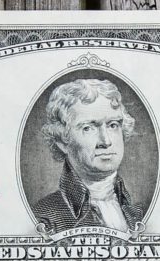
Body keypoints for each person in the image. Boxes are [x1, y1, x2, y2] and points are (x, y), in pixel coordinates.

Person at [33, 78, 145, 232]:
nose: (105, 141)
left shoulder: (138, 213)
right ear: (62, 141)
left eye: (113, 125)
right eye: (88, 128)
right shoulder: (44, 217)